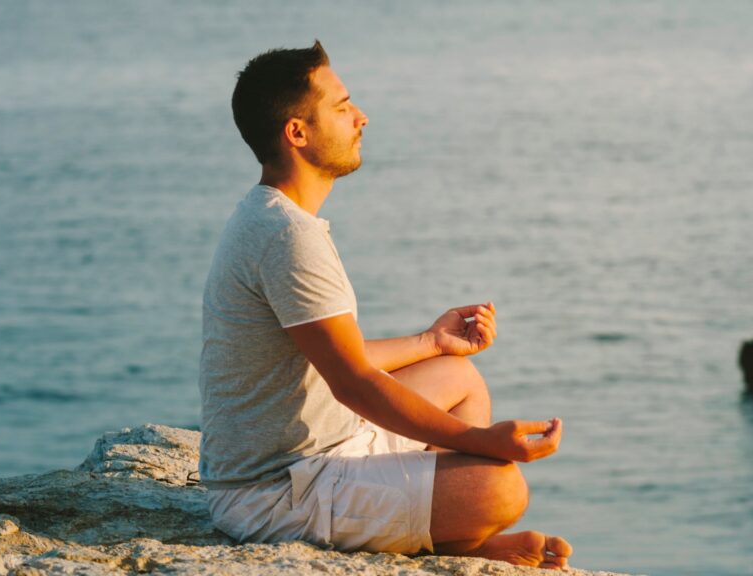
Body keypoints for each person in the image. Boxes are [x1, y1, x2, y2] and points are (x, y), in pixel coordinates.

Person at [198, 40, 573, 570]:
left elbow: (330, 359)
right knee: (500, 490)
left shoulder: (273, 217)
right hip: (275, 491)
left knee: (457, 375)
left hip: (323, 447)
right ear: (297, 133)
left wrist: (429, 342)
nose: (362, 117)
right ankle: (458, 541)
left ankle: (449, 534)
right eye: (342, 106)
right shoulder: (286, 237)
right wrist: (483, 442)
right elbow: (352, 384)